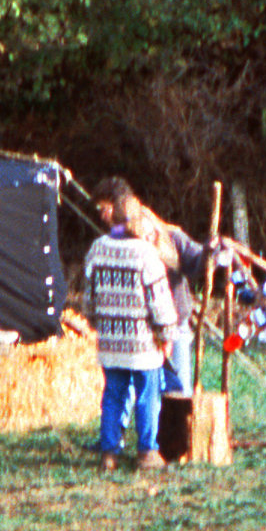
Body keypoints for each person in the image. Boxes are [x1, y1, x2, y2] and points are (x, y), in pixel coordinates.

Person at [87, 178, 181, 471]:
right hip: (143, 346)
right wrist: (167, 335)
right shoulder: (146, 254)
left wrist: (97, 322)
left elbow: (89, 300)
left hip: (111, 342)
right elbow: (161, 303)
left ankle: (109, 454)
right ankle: (147, 452)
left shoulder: (97, 249)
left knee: (113, 395)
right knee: (146, 396)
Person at [126, 199, 206, 396]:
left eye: (150, 234)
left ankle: (180, 424)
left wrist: (209, 253)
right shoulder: (130, 253)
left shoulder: (173, 239)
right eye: (141, 237)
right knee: (147, 388)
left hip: (177, 322)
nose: (148, 239)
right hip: (144, 327)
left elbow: (196, 261)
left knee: (180, 387)